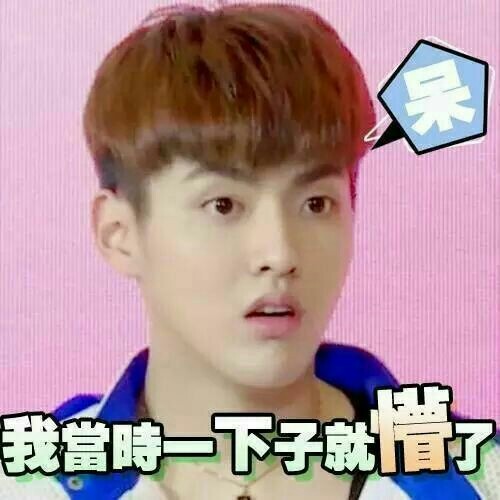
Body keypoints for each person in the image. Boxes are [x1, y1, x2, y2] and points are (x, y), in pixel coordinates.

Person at [0, 3, 497, 499]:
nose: (280, 254)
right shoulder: (29, 485)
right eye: (223, 205)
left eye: (316, 203)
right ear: (118, 233)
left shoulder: (479, 475)